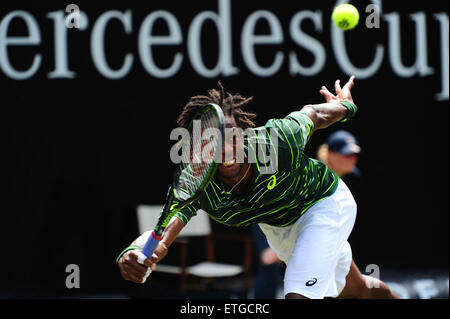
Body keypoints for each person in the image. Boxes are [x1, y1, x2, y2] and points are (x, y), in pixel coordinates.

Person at [117, 76, 399, 299]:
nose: (225, 148)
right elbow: (162, 230)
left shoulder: (275, 142)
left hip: (324, 203)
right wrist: (135, 254)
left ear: (244, 134)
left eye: (231, 136)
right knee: (358, 290)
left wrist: (346, 106)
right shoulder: (197, 182)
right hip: (280, 231)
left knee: (298, 293)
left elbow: (313, 114)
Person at [316, 130, 361, 201]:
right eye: (347, 155)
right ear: (330, 154)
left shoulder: (353, 177)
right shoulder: (315, 175)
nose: (352, 160)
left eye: (354, 155)